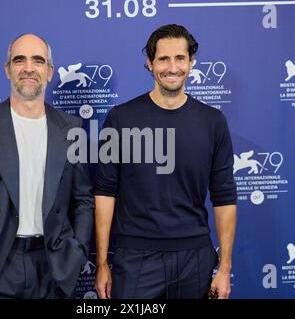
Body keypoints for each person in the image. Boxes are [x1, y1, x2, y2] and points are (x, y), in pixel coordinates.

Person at [94, 24, 237, 299]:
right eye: (163, 59)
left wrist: (225, 267)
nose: (172, 67)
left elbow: (224, 197)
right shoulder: (121, 118)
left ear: (191, 62)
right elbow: (105, 192)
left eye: (180, 58)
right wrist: (102, 263)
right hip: (135, 257)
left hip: (194, 257)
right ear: (149, 63)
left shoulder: (213, 122)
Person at [0, 33, 94, 298]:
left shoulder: (72, 128)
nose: (28, 68)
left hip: (54, 264)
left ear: (49, 72)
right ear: (7, 70)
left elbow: (83, 198)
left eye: (38, 61)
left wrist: (79, 251)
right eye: (19, 60)